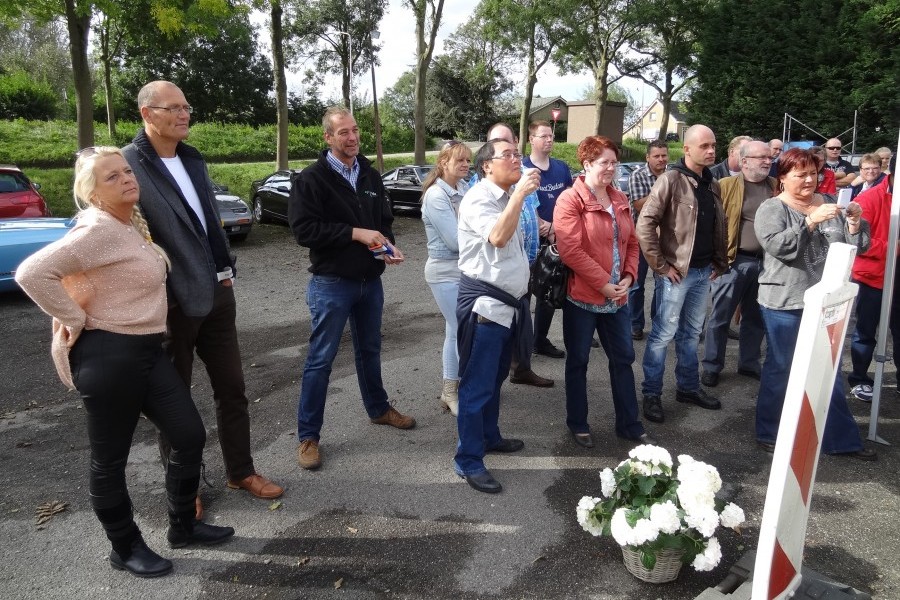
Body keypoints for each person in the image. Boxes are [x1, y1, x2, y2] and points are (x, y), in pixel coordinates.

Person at [15, 147, 234, 579]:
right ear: (93, 192)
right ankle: (125, 547)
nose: (127, 179)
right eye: (112, 177)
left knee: (188, 434)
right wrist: (75, 318)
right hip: (109, 355)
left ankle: (183, 526)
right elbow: (32, 273)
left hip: (146, 350)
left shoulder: (127, 223)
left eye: (127, 171)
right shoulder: (97, 228)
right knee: (110, 460)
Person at [122, 81, 283, 513]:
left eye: (186, 107)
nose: (184, 114)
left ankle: (241, 471)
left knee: (232, 388)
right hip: (171, 301)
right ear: (146, 114)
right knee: (173, 399)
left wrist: (227, 266)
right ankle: (185, 487)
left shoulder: (192, 158)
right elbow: (128, 235)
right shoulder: (128, 164)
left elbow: (209, 221)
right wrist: (162, 290)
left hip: (217, 292)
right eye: (173, 108)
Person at [289, 107, 415, 471]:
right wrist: (355, 233)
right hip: (332, 283)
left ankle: (378, 409)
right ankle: (308, 436)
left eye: (355, 130)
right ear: (328, 137)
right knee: (320, 360)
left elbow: (384, 222)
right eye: (343, 132)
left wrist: (386, 246)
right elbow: (304, 231)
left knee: (370, 350)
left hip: (369, 282)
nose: (353, 137)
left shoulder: (370, 176)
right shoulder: (311, 179)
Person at [754, 148, 876, 460]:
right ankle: (770, 432)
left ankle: (841, 440)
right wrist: (809, 222)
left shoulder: (828, 201)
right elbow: (780, 247)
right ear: (783, 178)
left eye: (813, 173)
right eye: (801, 175)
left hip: (826, 300)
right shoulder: (772, 208)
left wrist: (854, 224)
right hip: (785, 301)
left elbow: (855, 248)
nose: (810, 180)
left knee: (828, 369)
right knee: (781, 367)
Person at [554, 136, 654, 449]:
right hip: (583, 299)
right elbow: (570, 250)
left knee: (623, 359)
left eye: (614, 162)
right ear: (586, 164)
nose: (611, 168)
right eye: (604, 162)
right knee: (578, 361)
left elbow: (633, 243)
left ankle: (629, 424)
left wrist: (629, 275)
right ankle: (578, 423)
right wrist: (602, 284)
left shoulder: (620, 197)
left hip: (618, 299)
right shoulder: (570, 199)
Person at [454, 139, 539, 493]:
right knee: (476, 386)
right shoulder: (478, 199)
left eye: (518, 154)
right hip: (486, 309)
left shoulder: (505, 198)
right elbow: (499, 238)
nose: (517, 159)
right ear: (487, 165)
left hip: (508, 308)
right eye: (508, 155)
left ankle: (489, 436)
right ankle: (468, 460)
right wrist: (520, 194)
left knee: (495, 379)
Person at [635, 124, 728, 424]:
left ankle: (687, 388)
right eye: (704, 146)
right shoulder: (671, 180)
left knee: (691, 335)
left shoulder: (711, 183)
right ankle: (651, 393)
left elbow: (716, 226)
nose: (711, 151)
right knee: (662, 335)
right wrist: (661, 266)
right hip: (676, 274)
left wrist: (718, 262)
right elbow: (645, 224)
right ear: (687, 149)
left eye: (713, 145)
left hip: (702, 272)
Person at [479, 122, 553, 388]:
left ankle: (521, 368)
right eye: (499, 146)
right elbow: (497, 236)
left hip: (527, 260)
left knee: (523, 321)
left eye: (511, 146)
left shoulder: (520, 177)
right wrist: (520, 191)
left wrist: (547, 228)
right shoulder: (483, 188)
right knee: (497, 333)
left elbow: (532, 211)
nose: (511, 155)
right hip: (498, 275)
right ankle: (490, 383)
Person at [701, 140, 776, 386]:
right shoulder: (724, 185)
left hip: (767, 264)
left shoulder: (776, 187)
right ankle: (712, 365)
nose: (768, 161)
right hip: (733, 262)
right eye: (762, 157)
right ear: (744, 161)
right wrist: (714, 258)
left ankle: (749, 363)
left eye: (769, 157)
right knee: (720, 317)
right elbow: (709, 224)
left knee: (755, 318)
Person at [421, 141, 472, 416]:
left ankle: (451, 391)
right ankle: (465, 392)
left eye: (468, 160)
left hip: (464, 270)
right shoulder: (436, 195)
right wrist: (488, 237)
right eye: (459, 160)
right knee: (463, 331)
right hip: (444, 272)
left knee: (455, 331)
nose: (465, 165)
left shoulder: (464, 188)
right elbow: (455, 241)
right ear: (443, 163)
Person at [847, 157, 897, 402]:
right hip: (872, 278)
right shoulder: (869, 198)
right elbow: (857, 242)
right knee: (866, 331)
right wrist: (894, 248)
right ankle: (858, 379)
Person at [523, 120, 573, 358]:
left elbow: (571, 200)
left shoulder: (561, 168)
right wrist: (540, 225)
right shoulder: (522, 168)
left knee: (550, 291)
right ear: (531, 139)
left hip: (558, 238)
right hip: (531, 240)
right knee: (523, 293)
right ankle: (521, 345)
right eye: (543, 136)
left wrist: (555, 227)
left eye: (551, 136)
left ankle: (540, 340)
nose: (549, 139)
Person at [626, 140, 669, 340]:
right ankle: (635, 324)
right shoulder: (638, 175)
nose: (661, 159)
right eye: (656, 156)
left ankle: (658, 323)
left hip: (665, 239)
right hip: (641, 239)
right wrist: (663, 190)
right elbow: (639, 205)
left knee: (663, 284)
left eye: (664, 155)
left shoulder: (673, 175)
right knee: (636, 285)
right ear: (647, 157)